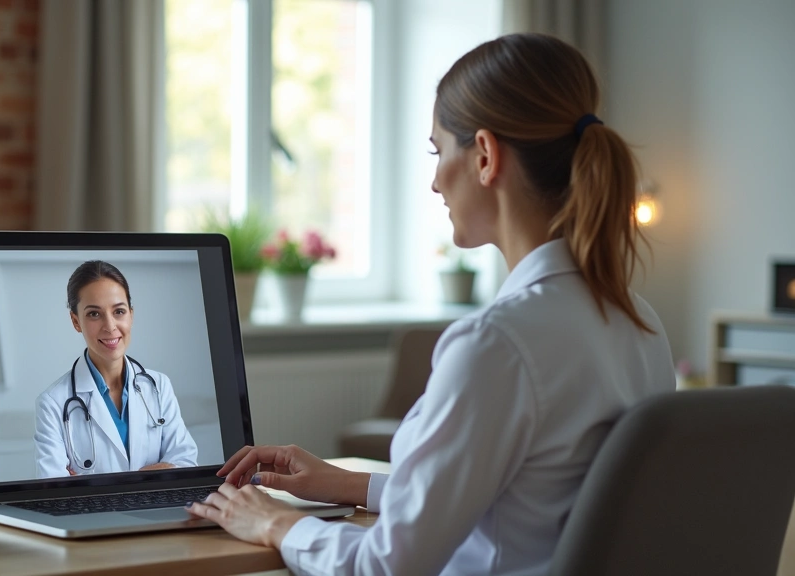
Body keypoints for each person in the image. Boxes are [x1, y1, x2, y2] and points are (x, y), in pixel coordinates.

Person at [185, 33, 675, 575]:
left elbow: (388, 566)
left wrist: (275, 523)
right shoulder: (640, 323)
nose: (435, 181)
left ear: (485, 156)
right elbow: (525, 495)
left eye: (439, 151)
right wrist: (347, 484)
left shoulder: (498, 344)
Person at [35, 260, 198, 477]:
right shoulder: (53, 403)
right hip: (93, 513)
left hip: (156, 509)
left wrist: (89, 484)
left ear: (131, 314)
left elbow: (187, 463)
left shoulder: (159, 386)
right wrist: (158, 471)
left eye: (119, 311)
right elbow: (54, 489)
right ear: (76, 321)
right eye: (94, 314)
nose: (110, 326)